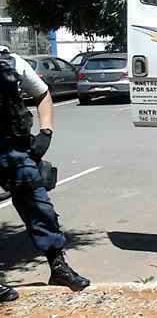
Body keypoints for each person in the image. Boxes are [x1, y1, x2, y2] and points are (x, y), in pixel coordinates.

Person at [0, 46, 89, 302]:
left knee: (40, 208)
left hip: (15, 149)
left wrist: (46, 132)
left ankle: (58, 268)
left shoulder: (12, 62)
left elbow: (43, 94)